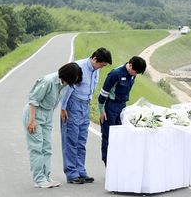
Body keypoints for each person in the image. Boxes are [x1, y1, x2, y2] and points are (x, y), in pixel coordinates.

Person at [23, 62, 82, 188]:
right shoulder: (48, 81)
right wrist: (32, 121)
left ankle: (46, 176)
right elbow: (33, 101)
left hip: (47, 115)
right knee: (36, 148)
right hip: (34, 114)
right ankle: (39, 179)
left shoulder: (64, 84)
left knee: (47, 148)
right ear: (67, 76)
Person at [60, 47, 112, 184]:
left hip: (85, 105)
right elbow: (68, 88)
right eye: (101, 64)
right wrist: (63, 108)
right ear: (94, 59)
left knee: (82, 140)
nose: (102, 67)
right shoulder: (79, 67)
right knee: (71, 140)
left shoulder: (96, 70)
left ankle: (81, 171)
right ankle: (72, 173)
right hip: (73, 105)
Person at [98, 56, 147, 165]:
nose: (135, 75)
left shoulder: (133, 75)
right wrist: (101, 110)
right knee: (108, 136)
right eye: (135, 72)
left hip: (122, 107)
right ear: (130, 65)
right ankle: (108, 163)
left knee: (120, 136)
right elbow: (104, 92)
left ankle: (117, 164)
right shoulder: (116, 74)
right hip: (111, 107)